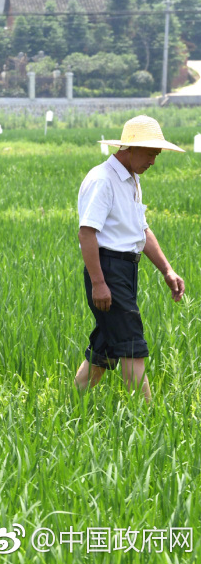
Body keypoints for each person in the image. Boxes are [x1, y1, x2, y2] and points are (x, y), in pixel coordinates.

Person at [74, 115, 185, 402]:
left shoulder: (131, 179)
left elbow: (141, 229)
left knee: (106, 348)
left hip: (124, 269)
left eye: (156, 155)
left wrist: (167, 270)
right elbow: (87, 234)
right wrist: (99, 283)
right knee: (132, 344)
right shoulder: (103, 180)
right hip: (108, 269)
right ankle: (149, 416)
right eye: (150, 154)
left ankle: (73, 404)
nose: (153, 161)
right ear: (129, 149)